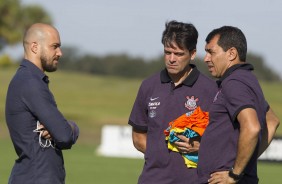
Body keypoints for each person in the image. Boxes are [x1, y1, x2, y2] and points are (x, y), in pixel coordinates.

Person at [128, 20, 217, 184]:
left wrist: (201, 149)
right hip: (152, 179)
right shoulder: (149, 86)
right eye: (167, 52)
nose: (171, 59)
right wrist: (160, 154)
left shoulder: (211, 90)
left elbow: (224, 138)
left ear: (192, 54)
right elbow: (138, 136)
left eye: (178, 54)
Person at [197, 26, 280, 184]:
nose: (206, 58)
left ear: (231, 53)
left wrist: (234, 174)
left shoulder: (234, 83)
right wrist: (247, 161)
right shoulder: (247, 79)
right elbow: (272, 120)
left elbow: (252, 127)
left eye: (211, 52)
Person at [5, 23, 79, 184]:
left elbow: (60, 132)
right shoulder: (31, 83)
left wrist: (63, 128)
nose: (60, 52)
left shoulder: (27, 80)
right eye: (55, 47)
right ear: (34, 47)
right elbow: (65, 135)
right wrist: (72, 127)